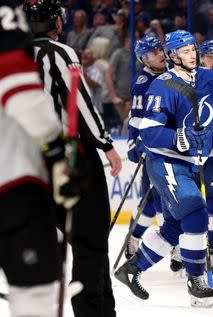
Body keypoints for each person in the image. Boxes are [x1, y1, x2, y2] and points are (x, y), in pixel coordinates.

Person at [23, 1, 122, 316]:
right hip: (69, 158)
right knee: (89, 240)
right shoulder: (59, 52)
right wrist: (106, 144)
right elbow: (79, 103)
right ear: (55, 24)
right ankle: (96, 310)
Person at [115, 30, 213, 308]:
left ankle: (132, 269)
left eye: (193, 50)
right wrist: (178, 139)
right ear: (172, 56)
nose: (192, 55)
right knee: (195, 211)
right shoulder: (161, 86)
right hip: (165, 162)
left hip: (190, 164)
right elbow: (149, 132)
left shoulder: (207, 77)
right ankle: (196, 281)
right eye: (185, 52)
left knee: (174, 226)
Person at [0, 1, 79, 316]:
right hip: (11, 181)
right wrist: (55, 150)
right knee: (36, 294)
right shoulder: (5, 15)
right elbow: (18, 89)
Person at [125, 34, 166, 260]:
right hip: (152, 146)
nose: (160, 54)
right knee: (155, 200)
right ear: (144, 60)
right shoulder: (143, 83)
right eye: (153, 53)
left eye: (160, 49)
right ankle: (171, 246)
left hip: (168, 144)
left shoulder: (171, 73)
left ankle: (138, 236)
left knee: (154, 201)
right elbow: (136, 118)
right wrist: (135, 141)